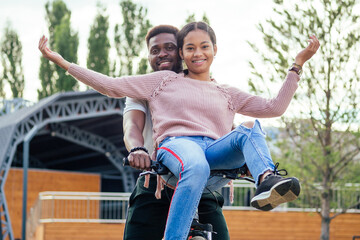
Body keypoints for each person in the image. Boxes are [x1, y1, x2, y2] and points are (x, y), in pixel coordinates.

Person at [38, 21, 320, 240]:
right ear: (185, 54)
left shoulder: (226, 93)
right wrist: (63, 62)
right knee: (194, 165)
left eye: (203, 47)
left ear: (212, 50)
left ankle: (267, 180)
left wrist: (297, 64)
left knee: (249, 129)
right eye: (190, 48)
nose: (196, 53)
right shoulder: (158, 83)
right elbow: (118, 101)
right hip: (166, 169)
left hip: (209, 170)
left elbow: (274, 107)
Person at [122, 25, 230, 240]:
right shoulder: (142, 89)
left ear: (181, 51)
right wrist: (138, 148)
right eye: (155, 50)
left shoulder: (208, 88)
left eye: (169, 47)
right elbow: (131, 126)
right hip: (154, 185)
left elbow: (224, 131)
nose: (162, 53)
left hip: (201, 185)